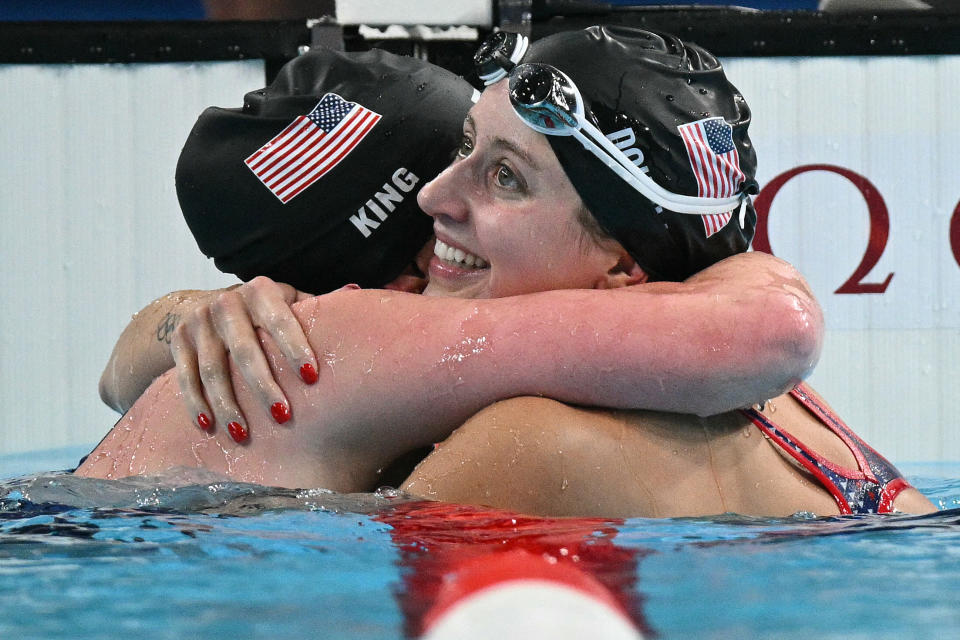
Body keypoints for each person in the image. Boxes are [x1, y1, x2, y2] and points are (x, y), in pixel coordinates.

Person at [79, 27, 933, 517]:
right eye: (464, 149)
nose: (436, 203)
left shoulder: (524, 442)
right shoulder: (792, 407)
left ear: (624, 270)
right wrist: (190, 316)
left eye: (505, 177)